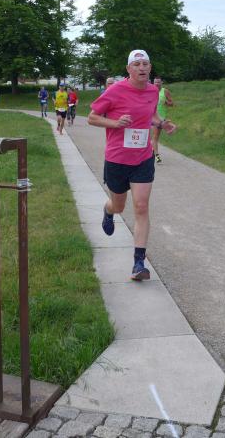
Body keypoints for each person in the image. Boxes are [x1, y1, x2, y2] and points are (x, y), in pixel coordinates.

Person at [88, 50, 177, 280]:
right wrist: (115, 123)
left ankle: (139, 263)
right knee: (119, 206)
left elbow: (151, 116)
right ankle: (108, 211)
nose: (142, 67)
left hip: (143, 158)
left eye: (145, 63)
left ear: (150, 67)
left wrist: (162, 123)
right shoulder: (115, 90)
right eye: (137, 64)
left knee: (141, 206)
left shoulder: (153, 91)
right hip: (117, 159)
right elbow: (92, 117)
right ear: (128, 69)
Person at [151, 76, 174, 164]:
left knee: (155, 136)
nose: (157, 84)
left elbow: (172, 103)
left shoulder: (165, 91)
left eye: (158, 82)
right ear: (153, 83)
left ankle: (154, 152)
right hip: (150, 116)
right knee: (153, 136)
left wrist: (167, 103)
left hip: (161, 118)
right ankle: (156, 155)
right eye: (155, 82)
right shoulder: (150, 90)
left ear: (161, 83)